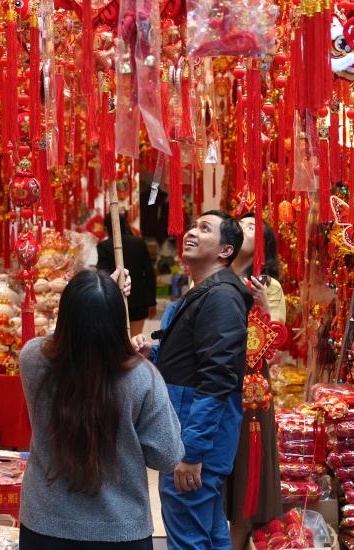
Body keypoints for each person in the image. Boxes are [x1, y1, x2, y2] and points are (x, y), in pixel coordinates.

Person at [19, 268, 183, 549]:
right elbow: (167, 456)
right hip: (119, 529)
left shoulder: (32, 359)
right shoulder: (142, 377)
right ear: (118, 320)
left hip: (45, 524)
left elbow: (59, 338)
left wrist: (94, 293)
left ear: (64, 315)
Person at [135, 210, 251, 550]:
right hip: (194, 433)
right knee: (209, 532)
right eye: (193, 226)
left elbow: (217, 378)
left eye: (204, 229)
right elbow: (194, 360)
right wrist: (154, 354)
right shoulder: (207, 292)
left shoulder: (221, 297)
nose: (191, 232)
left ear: (225, 250)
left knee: (188, 535)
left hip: (196, 437)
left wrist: (192, 452)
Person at [226, 215, 284, 549]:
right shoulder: (213, 276)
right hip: (216, 379)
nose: (242, 228)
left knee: (246, 466)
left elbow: (274, 345)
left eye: (252, 228)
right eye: (240, 223)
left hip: (250, 387)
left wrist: (262, 307)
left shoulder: (268, 286)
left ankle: (237, 541)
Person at [97, 212, 157, 337]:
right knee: (135, 340)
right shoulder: (139, 242)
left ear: (106, 228)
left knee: (118, 341)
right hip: (139, 301)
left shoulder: (104, 246)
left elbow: (103, 276)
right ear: (125, 225)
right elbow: (149, 274)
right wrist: (152, 302)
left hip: (115, 301)